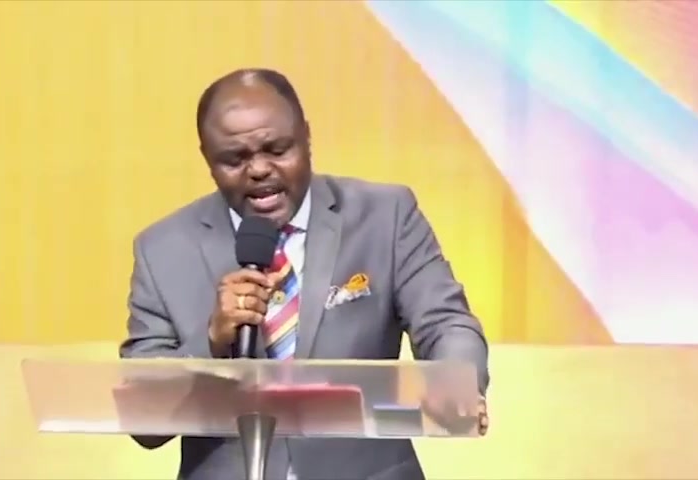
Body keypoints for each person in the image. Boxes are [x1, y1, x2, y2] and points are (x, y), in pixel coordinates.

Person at [119, 68, 490, 480]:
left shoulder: (385, 216)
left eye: (277, 149)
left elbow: (445, 322)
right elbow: (144, 422)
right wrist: (210, 341)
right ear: (208, 159)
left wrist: (455, 380)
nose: (259, 169)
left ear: (306, 137)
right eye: (235, 159)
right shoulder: (162, 249)